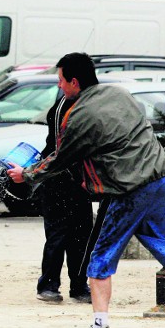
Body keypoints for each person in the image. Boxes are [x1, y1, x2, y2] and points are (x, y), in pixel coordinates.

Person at [7, 52, 165, 328]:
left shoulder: (81, 115)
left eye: (61, 81)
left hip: (129, 188)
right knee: (164, 244)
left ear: (74, 81)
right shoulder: (118, 93)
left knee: (100, 257)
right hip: (162, 177)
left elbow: (61, 158)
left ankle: (99, 326)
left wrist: (27, 174)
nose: (59, 87)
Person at [34, 93, 95, 304]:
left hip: (78, 182)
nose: (59, 85)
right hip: (57, 179)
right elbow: (59, 150)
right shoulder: (64, 107)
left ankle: (78, 285)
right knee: (58, 234)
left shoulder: (81, 104)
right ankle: (49, 285)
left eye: (61, 79)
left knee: (81, 236)